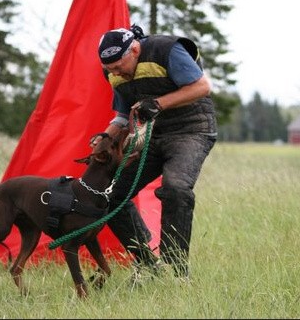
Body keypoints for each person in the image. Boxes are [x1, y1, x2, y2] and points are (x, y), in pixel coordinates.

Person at [90, 24, 217, 280]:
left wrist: (157, 104)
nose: (116, 73)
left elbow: (202, 87)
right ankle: (148, 264)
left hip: (191, 130)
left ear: (135, 50)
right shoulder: (115, 74)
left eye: (118, 66)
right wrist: (105, 138)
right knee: (112, 196)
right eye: (109, 70)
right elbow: (123, 116)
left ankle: (177, 269)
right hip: (152, 136)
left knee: (176, 189)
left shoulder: (166, 50)